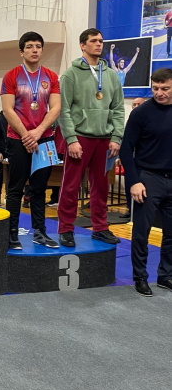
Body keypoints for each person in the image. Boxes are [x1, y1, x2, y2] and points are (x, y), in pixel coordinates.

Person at [58, 28, 124, 247]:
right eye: (94, 41)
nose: (98, 44)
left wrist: (116, 136)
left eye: (101, 41)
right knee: (71, 185)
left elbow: (118, 108)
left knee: (101, 186)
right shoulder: (70, 74)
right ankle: (66, 228)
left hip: (104, 138)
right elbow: (64, 110)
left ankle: (100, 228)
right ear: (82, 45)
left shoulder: (111, 75)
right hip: (80, 137)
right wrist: (71, 139)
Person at [1, 31, 61, 250]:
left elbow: (55, 108)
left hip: (44, 140)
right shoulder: (11, 76)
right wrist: (27, 135)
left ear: (42, 50)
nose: (34, 50)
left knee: (39, 188)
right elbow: (7, 110)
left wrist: (38, 132)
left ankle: (39, 232)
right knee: (16, 188)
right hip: (18, 139)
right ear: (21, 51)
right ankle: (11, 232)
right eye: (29, 46)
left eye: (38, 46)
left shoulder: (51, 77)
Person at [119, 68, 172, 297]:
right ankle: (140, 276)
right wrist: (134, 181)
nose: (159, 93)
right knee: (142, 232)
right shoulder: (141, 113)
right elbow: (125, 149)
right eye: (155, 88)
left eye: (165, 88)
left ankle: (166, 276)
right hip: (148, 178)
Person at [119, 97, 146, 220]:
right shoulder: (131, 119)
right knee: (129, 184)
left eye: (138, 104)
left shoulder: (145, 117)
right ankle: (130, 209)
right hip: (130, 158)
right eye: (134, 104)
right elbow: (125, 143)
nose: (135, 106)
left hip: (141, 160)